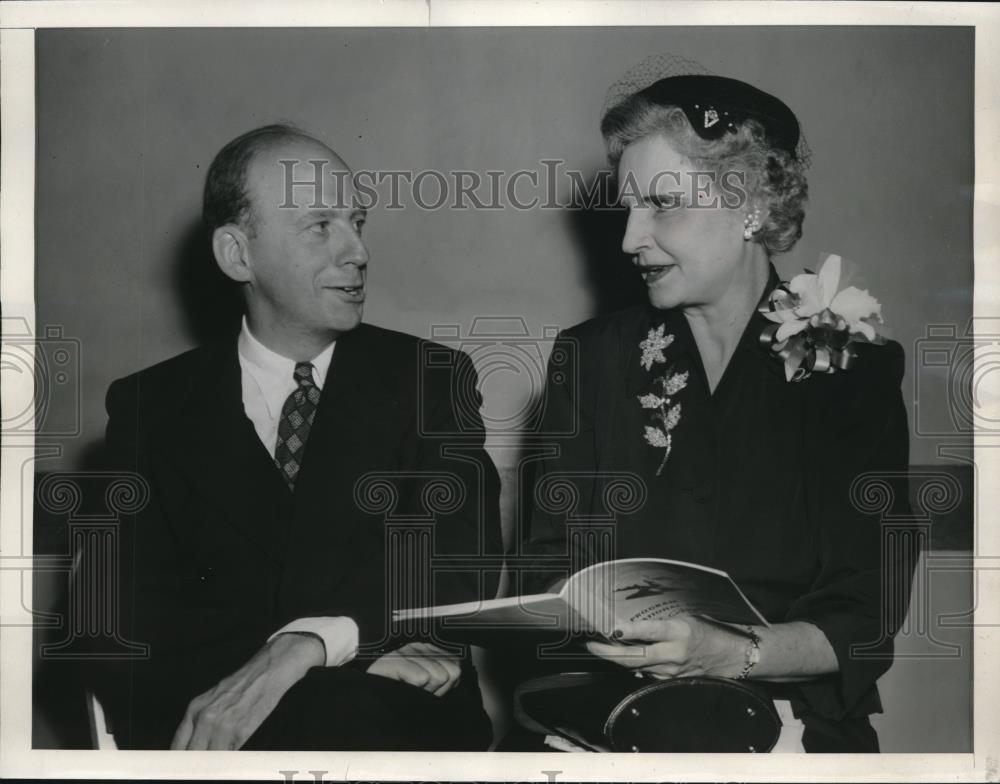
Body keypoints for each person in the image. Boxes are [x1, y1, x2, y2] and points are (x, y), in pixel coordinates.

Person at [516, 72, 915, 752]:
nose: (629, 239)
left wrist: (731, 654)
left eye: (662, 205)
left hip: (794, 730)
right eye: (628, 208)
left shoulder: (851, 368)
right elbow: (546, 571)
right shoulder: (590, 359)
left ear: (750, 203)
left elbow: (865, 612)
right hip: (610, 721)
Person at [88, 124, 503, 750]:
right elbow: (111, 622)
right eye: (320, 226)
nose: (357, 251)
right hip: (222, 740)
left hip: (396, 727)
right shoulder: (152, 407)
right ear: (237, 254)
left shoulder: (430, 381)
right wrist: (334, 656)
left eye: (357, 223)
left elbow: (455, 563)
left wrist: (310, 649)